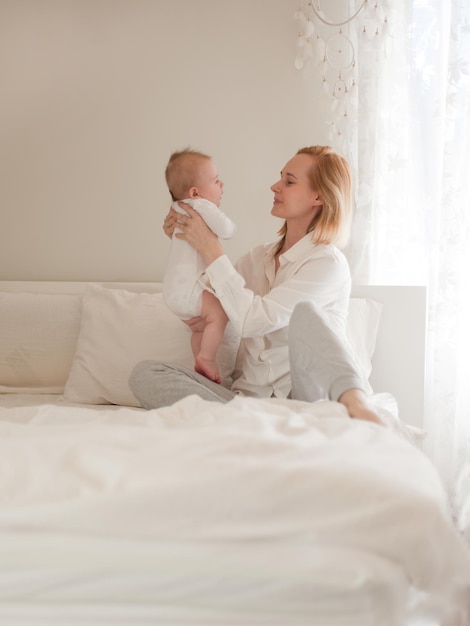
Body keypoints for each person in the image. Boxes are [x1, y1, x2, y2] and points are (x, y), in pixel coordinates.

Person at [130, 145, 383, 425]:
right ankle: (253, 428)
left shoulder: (327, 264)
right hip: (246, 405)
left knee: (307, 317)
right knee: (145, 375)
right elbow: (208, 302)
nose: (275, 186)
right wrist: (186, 248)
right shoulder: (255, 259)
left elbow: (254, 321)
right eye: (280, 178)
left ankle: (355, 401)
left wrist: (211, 248)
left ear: (318, 196)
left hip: (304, 402)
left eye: (289, 181)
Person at [162, 149, 236, 383]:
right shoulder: (200, 205)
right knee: (220, 315)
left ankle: (200, 367)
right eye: (215, 181)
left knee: (199, 328)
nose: (221, 184)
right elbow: (227, 230)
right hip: (188, 288)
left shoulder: (176, 209)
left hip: (173, 292)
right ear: (195, 192)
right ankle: (206, 357)